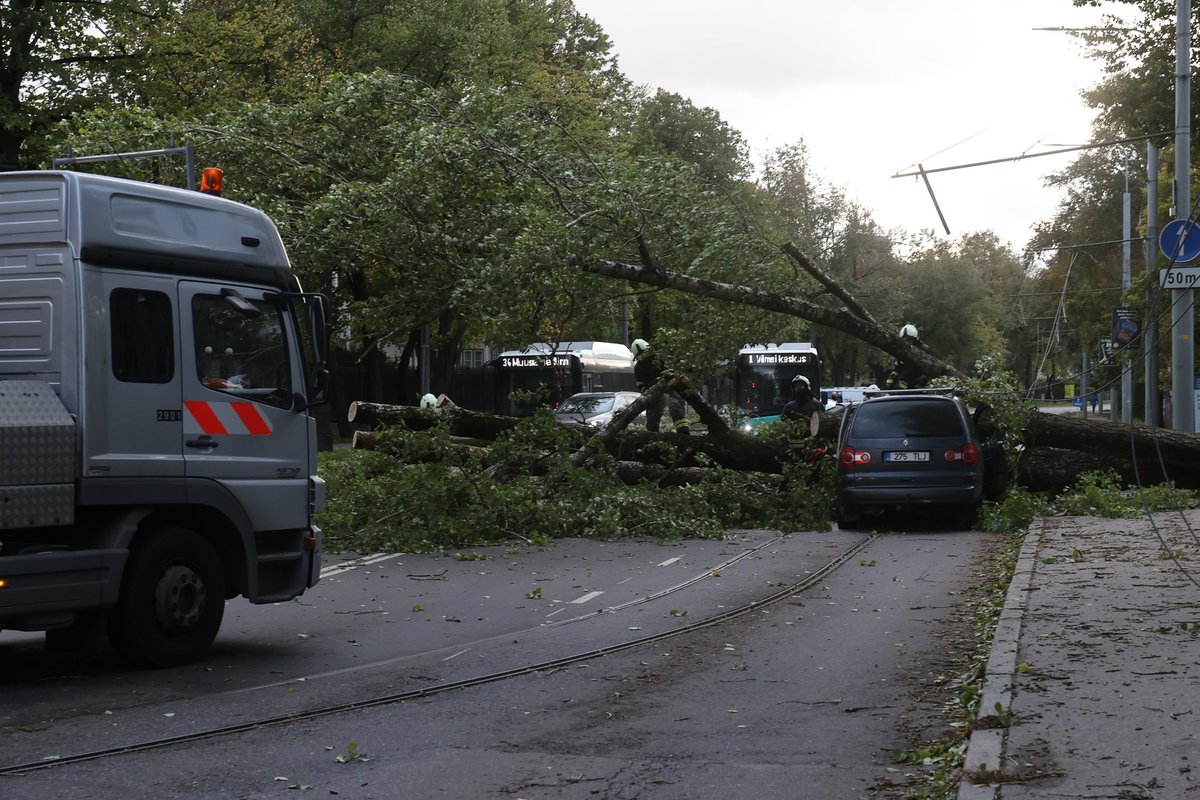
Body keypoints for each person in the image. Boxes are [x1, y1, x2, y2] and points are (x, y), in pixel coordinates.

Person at [632, 338, 689, 434]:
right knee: (652, 416)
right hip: (653, 394)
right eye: (640, 355)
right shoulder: (638, 368)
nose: (642, 357)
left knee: (675, 406)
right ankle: (652, 438)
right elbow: (640, 384)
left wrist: (669, 377)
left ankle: (684, 433)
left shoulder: (659, 359)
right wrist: (647, 392)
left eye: (643, 353)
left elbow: (673, 373)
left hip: (671, 389)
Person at [885, 324, 932, 390]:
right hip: (903, 383)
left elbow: (930, 369)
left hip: (919, 384)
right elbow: (897, 367)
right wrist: (890, 381)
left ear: (915, 339)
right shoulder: (901, 350)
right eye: (904, 340)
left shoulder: (924, 350)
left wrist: (923, 379)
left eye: (909, 340)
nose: (906, 342)